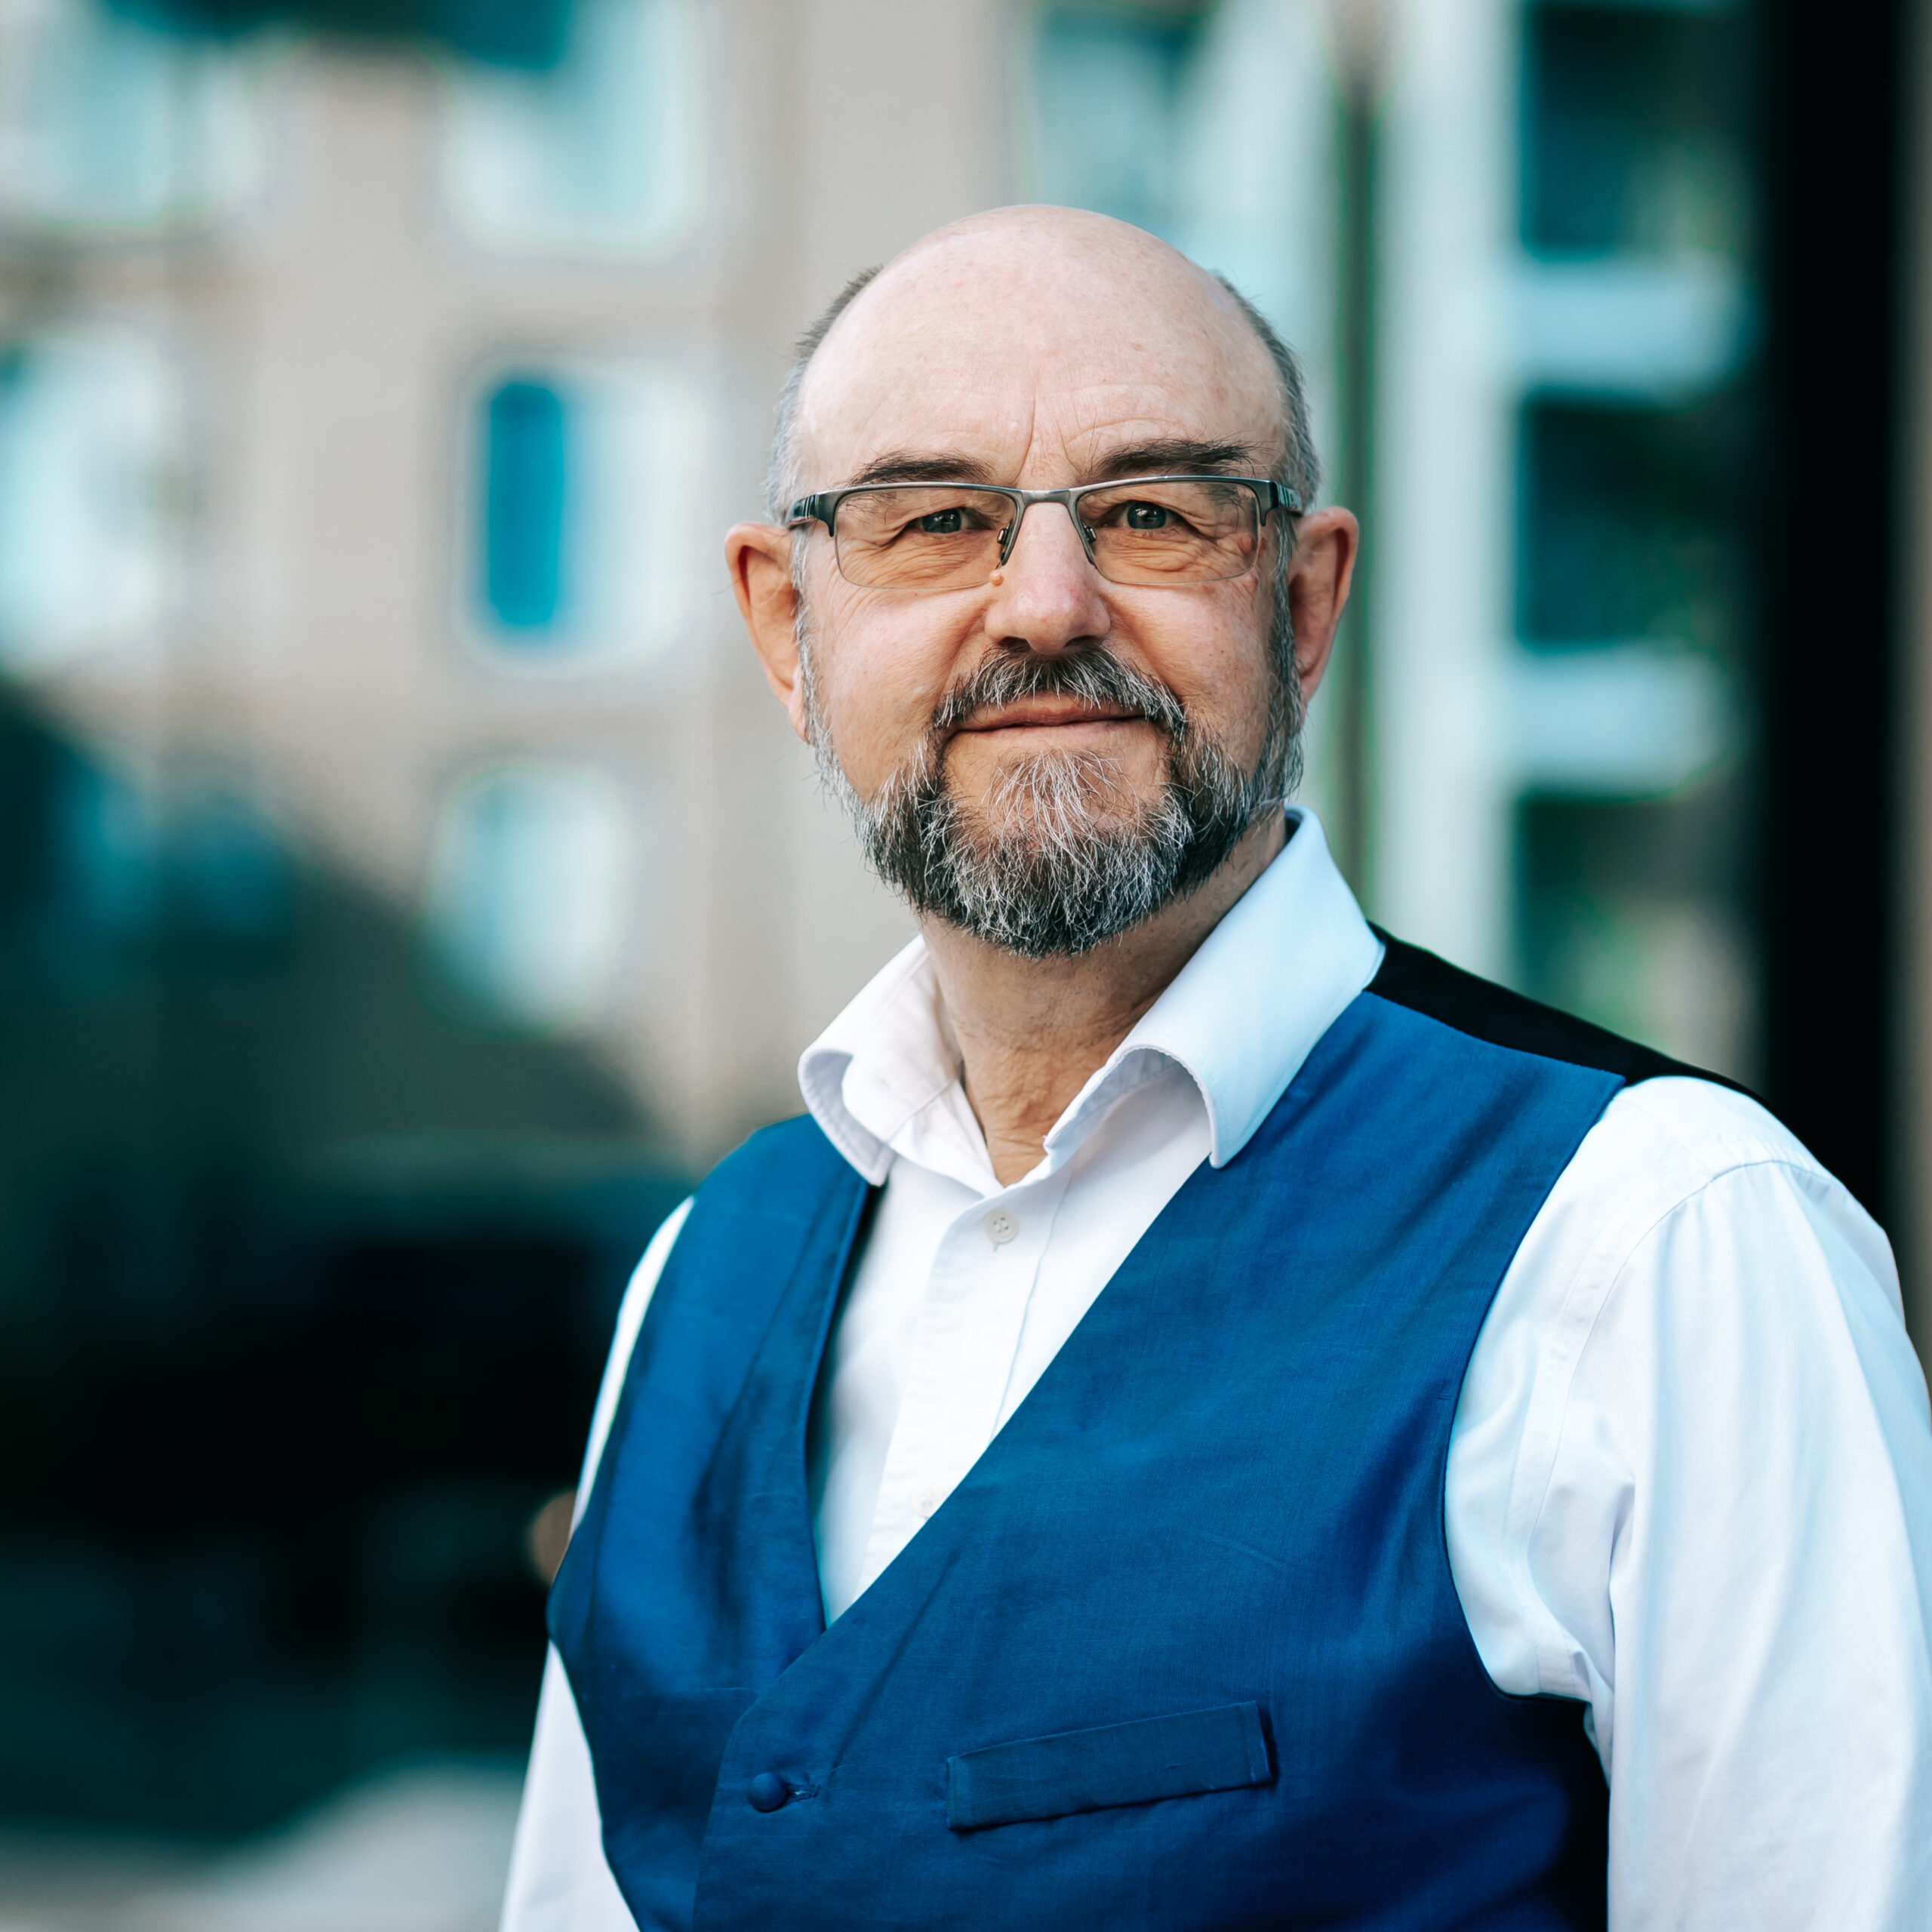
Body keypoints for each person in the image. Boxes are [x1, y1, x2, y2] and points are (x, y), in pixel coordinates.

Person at [498, 208, 1932, 1932]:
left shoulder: (1659, 1235)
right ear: (783, 623)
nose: (1044, 604)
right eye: (932, 518)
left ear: (1302, 604)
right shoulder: (701, 1269)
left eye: (1152, 513)